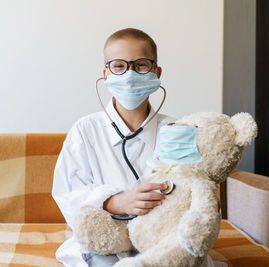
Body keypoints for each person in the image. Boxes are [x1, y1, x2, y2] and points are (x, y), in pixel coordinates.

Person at [52, 28, 220, 267]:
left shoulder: (176, 130)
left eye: (141, 65)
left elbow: (193, 191)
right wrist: (114, 202)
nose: (129, 74)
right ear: (106, 73)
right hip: (106, 243)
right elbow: (67, 195)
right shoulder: (86, 130)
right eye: (119, 66)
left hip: (162, 240)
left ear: (156, 72)